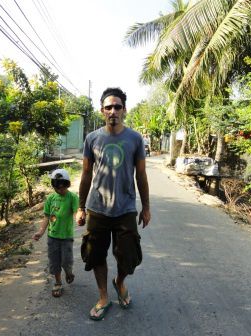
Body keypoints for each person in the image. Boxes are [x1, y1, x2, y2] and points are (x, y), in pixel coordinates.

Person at [76, 87, 151, 321]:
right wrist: (80, 206)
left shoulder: (135, 139)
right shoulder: (92, 139)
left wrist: (146, 207)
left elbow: (141, 175)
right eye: (108, 107)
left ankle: (119, 282)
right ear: (102, 111)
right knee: (95, 254)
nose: (113, 111)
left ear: (124, 110)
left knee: (128, 256)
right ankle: (102, 297)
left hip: (125, 209)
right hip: (97, 208)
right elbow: (86, 174)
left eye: (117, 106)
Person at [33, 168, 79, 298]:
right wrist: (41, 232)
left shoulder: (72, 197)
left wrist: (80, 217)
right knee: (54, 262)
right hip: (52, 237)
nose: (60, 190)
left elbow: (76, 212)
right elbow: (47, 217)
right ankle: (58, 282)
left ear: (67, 185)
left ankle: (69, 272)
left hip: (66, 238)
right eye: (57, 188)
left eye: (62, 187)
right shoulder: (51, 198)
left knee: (66, 261)